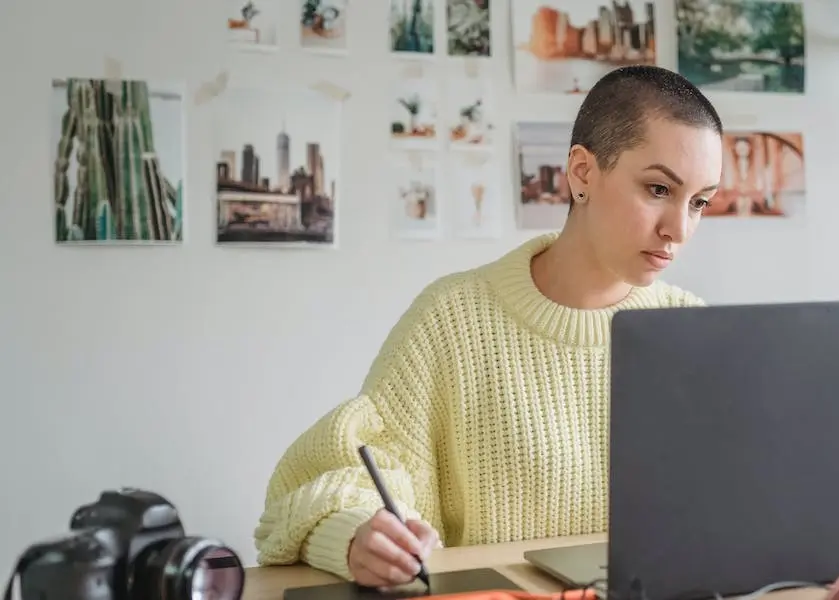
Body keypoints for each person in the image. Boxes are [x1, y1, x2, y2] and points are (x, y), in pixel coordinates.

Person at [252, 65, 726, 588]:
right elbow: (319, 484)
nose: (679, 229)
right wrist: (355, 535)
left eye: (699, 201)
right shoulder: (453, 319)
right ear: (583, 173)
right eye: (659, 188)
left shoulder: (689, 329)